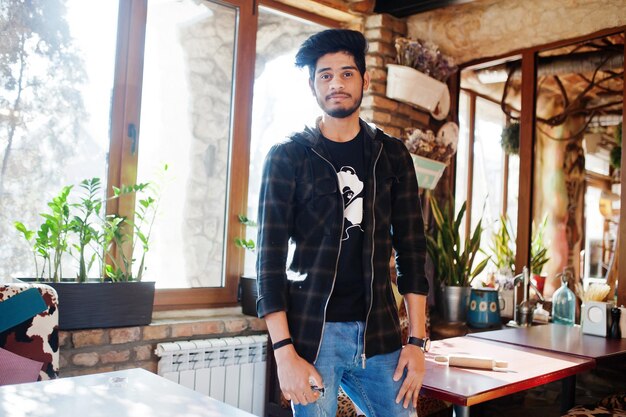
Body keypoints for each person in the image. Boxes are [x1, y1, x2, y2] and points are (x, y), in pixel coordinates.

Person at [256, 28, 429, 417]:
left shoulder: (392, 155)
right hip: (314, 337)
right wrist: (284, 353)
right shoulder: (288, 157)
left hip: (380, 333)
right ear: (313, 84)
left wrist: (417, 341)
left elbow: (412, 252)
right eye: (326, 74)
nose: (337, 83)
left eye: (347, 73)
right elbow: (268, 263)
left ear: (365, 80)